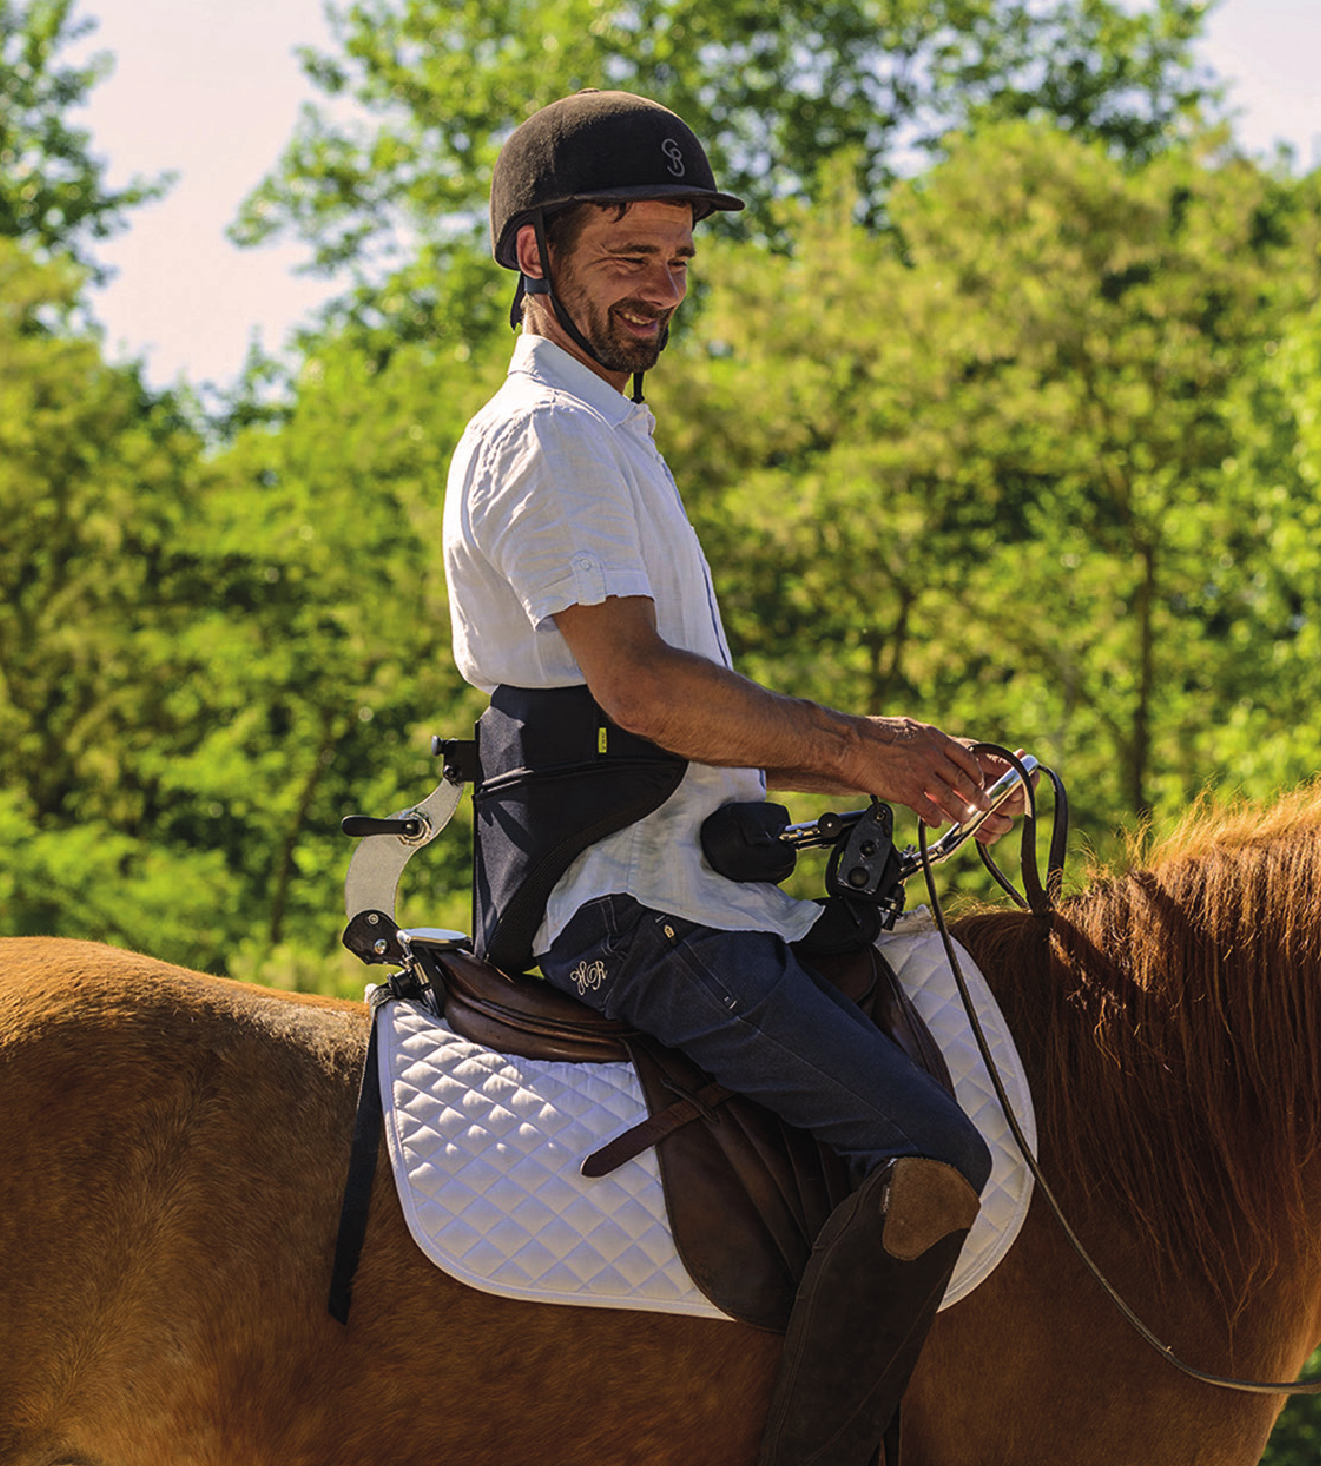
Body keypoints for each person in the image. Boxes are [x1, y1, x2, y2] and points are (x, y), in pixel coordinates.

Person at [442, 90, 1008, 1466]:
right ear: (533, 254)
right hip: (626, 917)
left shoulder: (614, 437)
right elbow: (640, 690)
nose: (663, 287)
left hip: (690, 884)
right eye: (631, 254)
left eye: (679, 260)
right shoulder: (548, 440)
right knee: (936, 1156)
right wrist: (865, 746)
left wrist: (838, 789)